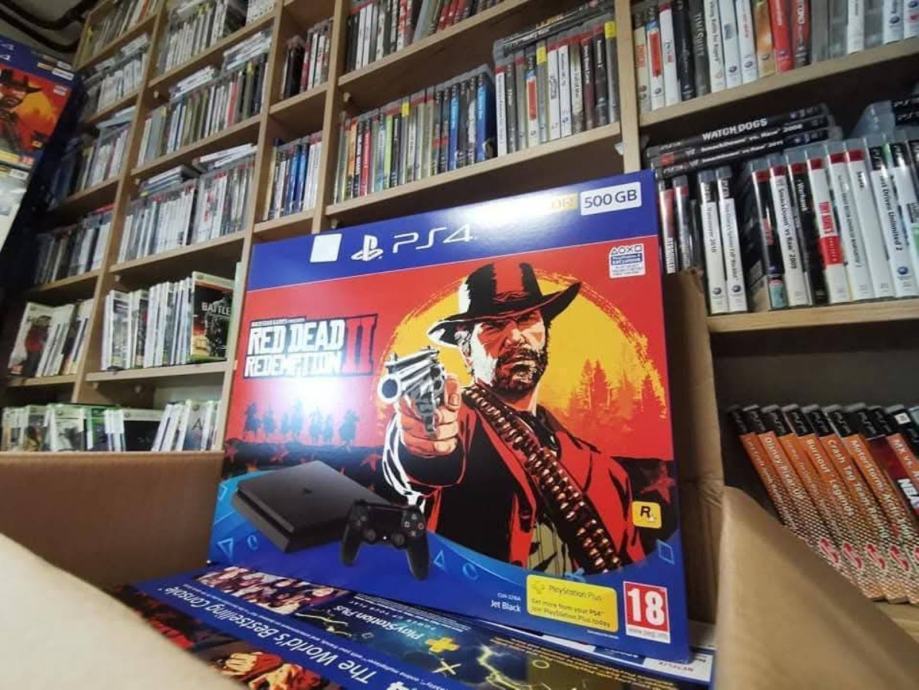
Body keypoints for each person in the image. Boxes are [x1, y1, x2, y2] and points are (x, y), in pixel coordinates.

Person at [382, 262, 645, 575]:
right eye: (493, 326)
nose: (515, 336)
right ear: (466, 352)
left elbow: (631, 577)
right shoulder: (460, 420)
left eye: (527, 319)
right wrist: (424, 446)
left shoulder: (607, 473)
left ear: (545, 333)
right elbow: (424, 457)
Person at [0, 69, 40, 159]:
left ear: (25, 94)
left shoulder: (22, 125)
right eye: (8, 87)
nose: (13, 92)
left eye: (20, 89)